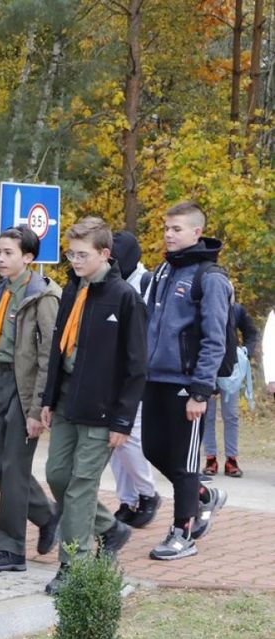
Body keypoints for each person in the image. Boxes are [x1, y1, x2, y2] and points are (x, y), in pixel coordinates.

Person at [40, 217, 144, 594]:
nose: (75, 260)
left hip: (102, 410)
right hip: (68, 401)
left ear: (104, 254)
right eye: (70, 253)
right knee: (57, 476)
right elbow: (58, 349)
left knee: (82, 485)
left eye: (82, 254)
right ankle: (110, 527)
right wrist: (48, 399)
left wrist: (122, 420)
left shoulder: (125, 297)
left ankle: (74, 566)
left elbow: (136, 366)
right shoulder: (72, 289)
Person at [141, 201, 231, 560]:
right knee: (152, 449)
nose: (168, 234)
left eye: (176, 229)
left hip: (188, 384)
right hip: (155, 377)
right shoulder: (163, 271)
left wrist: (200, 390)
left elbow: (214, 339)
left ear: (196, 232)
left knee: (185, 462)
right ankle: (203, 497)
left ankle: (183, 533)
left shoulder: (210, 278)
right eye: (166, 228)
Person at [0, 225, 61, 573]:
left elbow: (48, 357)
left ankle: (10, 550)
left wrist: (38, 407)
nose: (0, 258)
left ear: (28, 257)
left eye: (9, 253)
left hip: (25, 388)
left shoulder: (42, 296)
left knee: (14, 468)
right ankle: (47, 514)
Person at [108, 231, 162, 525]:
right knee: (114, 441)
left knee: (129, 438)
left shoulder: (146, 283)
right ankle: (127, 501)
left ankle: (147, 493)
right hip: (112, 371)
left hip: (138, 371)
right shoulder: (109, 284)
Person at [201, 301, 258, 477]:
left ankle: (231, 460)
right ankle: (211, 458)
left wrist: (246, 351)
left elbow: (251, 333)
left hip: (231, 369)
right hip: (208, 367)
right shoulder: (203, 306)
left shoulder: (237, 309)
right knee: (207, 415)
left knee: (231, 415)